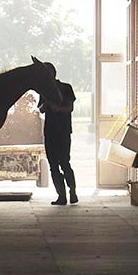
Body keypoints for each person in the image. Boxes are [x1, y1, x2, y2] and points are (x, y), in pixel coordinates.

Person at [38, 62, 78, 205]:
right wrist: (46, 104)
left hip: (63, 131)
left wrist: (56, 108)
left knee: (64, 163)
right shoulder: (44, 91)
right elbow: (41, 109)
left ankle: (72, 191)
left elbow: (69, 108)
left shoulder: (66, 88)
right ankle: (61, 195)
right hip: (50, 132)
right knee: (53, 165)